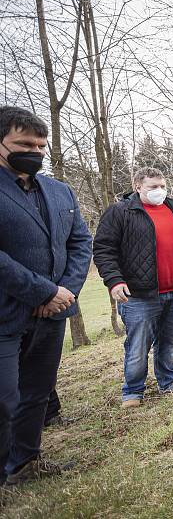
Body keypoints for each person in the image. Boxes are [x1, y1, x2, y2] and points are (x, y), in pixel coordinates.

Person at [0, 107, 92, 484]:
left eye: (41, 146)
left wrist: (65, 292)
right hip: (6, 315)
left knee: (36, 395)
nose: (35, 151)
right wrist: (43, 290)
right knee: (4, 401)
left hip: (54, 314)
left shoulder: (59, 190)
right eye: (24, 144)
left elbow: (80, 242)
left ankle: (25, 462)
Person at [93, 167, 173, 408]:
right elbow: (103, 249)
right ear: (138, 186)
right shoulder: (121, 212)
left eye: (162, 186)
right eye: (153, 187)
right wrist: (114, 280)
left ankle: (169, 382)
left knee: (170, 341)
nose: (159, 191)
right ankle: (132, 392)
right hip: (139, 293)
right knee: (138, 345)